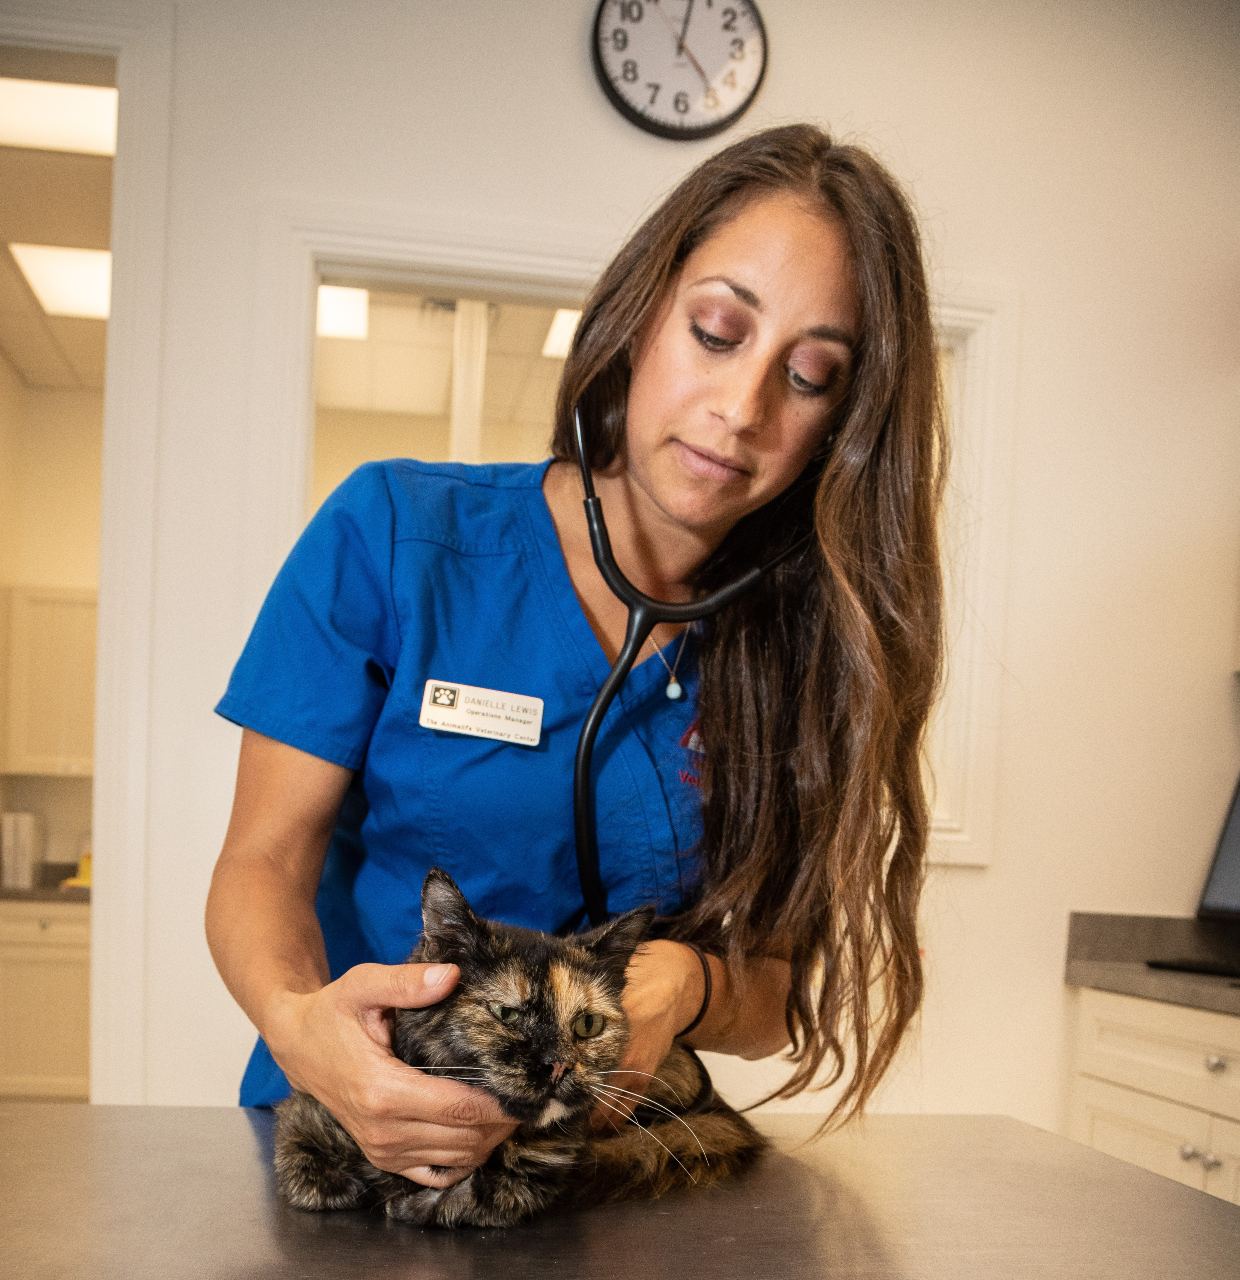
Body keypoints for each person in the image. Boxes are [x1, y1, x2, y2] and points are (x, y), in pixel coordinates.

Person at [205, 123, 945, 1191]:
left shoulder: (804, 652)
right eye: (716, 330)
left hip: (612, 1174)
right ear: (643, 313)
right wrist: (300, 1027)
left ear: (845, 423)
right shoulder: (394, 534)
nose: (742, 410)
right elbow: (260, 863)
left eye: (812, 374)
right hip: (367, 1144)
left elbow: (777, 992)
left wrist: (687, 982)